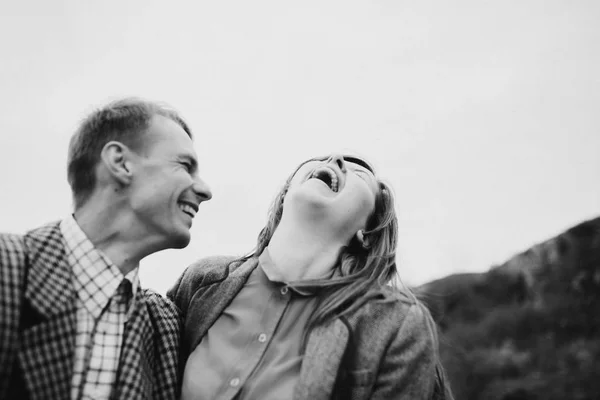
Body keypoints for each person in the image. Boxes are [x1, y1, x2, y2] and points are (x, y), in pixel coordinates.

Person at [169, 153, 453, 400]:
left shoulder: (396, 324)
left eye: (359, 175)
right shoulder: (203, 280)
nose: (335, 160)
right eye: (322, 160)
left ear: (367, 233)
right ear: (285, 197)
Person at [0, 98, 212, 400]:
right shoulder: (6, 268)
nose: (205, 190)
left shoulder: (163, 322)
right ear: (120, 162)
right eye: (185, 165)